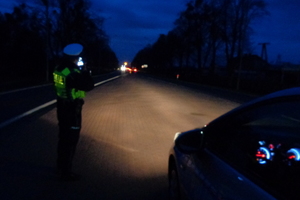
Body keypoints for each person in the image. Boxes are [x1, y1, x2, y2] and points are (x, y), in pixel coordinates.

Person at [53, 43, 94, 181]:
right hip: (73, 109)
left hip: (62, 106)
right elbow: (89, 86)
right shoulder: (74, 72)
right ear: (76, 57)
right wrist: (85, 71)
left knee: (63, 138)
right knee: (71, 140)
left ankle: (60, 167)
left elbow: (65, 81)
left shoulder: (60, 68)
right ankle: (66, 172)